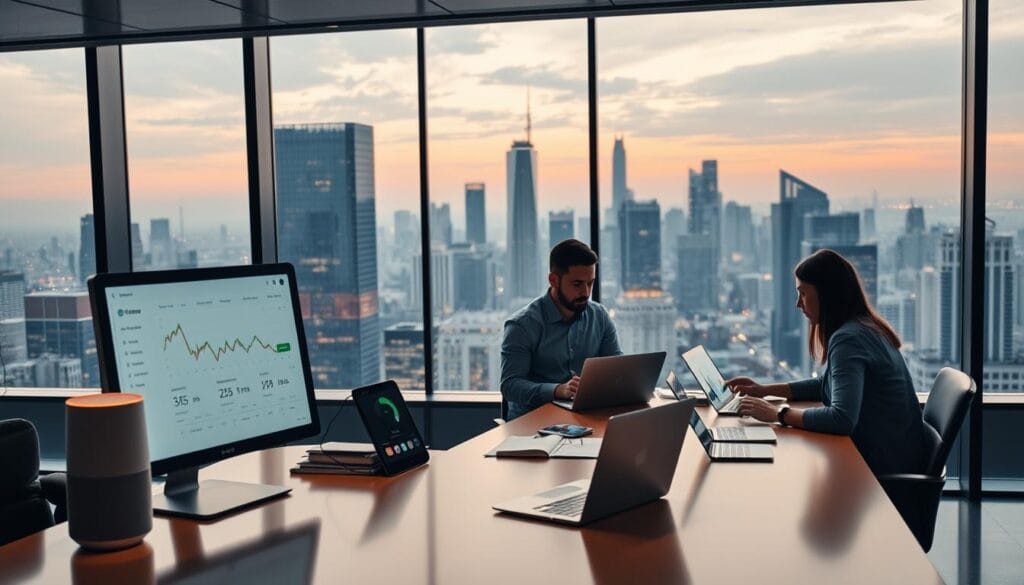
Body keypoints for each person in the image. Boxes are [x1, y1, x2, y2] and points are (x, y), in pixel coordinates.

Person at [730, 249, 928, 476]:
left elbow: (841, 419)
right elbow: (827, 383)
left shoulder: (849, 339)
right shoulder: (864, 328)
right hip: (894, 456)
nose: (798, 304)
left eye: (803, 293)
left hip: (883, 471)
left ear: (826, 294)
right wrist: (764, 390)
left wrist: (778, 414)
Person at [500, 239, 622, 420]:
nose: (586, 292)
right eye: (577, 284)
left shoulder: (599, 316)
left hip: (583, 418)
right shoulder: (522, 325)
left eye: (590, 283)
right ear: (554, 280)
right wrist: (557, 390)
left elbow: (617, 369)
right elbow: (510, 386)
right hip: (533, 424)